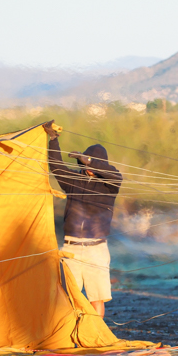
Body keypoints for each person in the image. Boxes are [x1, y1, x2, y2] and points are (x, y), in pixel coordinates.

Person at [43, 121, 122, 318]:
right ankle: (71, 339)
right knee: (68, 296)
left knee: (97, 298)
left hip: (96, 248)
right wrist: (53, 140)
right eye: (85, 164)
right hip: (71, 249)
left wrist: (88, 160)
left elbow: (113, 173)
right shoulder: (74, 181)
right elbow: (57, 168)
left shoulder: (110, 185)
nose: (88, 169)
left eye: (92, 164)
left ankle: (96, 337)